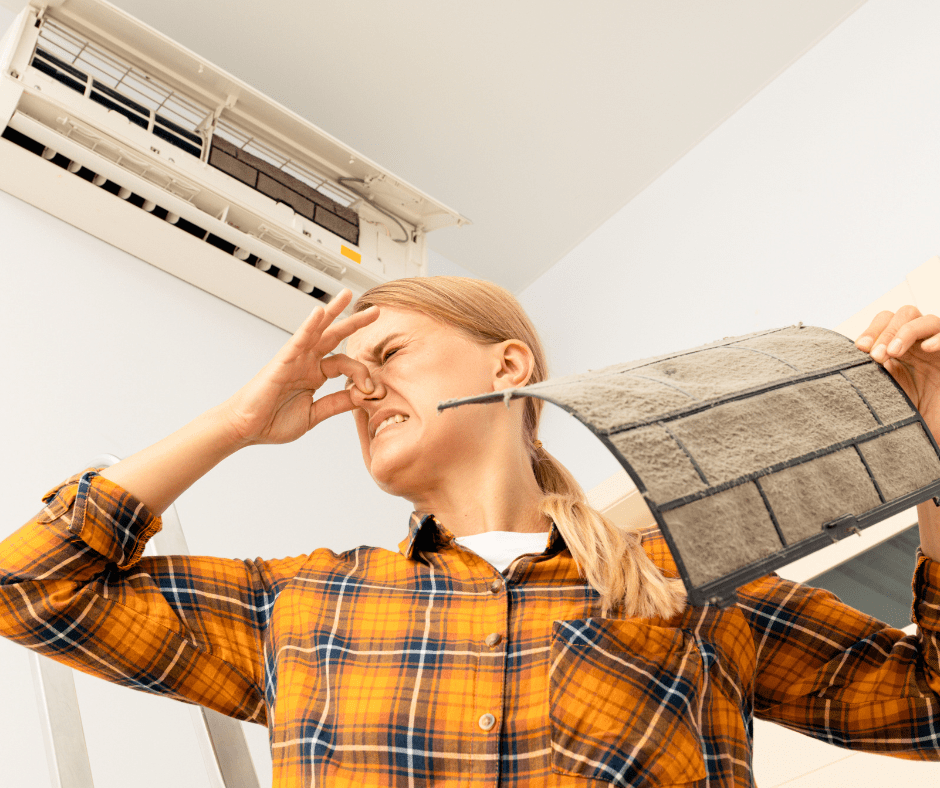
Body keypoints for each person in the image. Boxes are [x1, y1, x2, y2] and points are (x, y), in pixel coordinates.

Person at [1, 276, 938, 787]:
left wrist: (935, 454)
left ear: (509, 365)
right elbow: (29, 587)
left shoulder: (692, 587)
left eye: (391, 353)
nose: (359, 385)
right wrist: (236, 424)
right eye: (345, 372)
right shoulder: (303, 601)